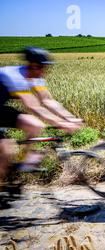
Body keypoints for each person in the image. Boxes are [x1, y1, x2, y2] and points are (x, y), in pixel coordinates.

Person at [0, 46, 82, 179]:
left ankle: (24, 163)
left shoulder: (36, 78)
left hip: (1, 107)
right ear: (34, 66)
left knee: (36, 125)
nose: (47, 71)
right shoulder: (15, 76)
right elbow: (34, 107)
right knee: (6, 151)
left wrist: (70, 118)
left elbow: (48, 101)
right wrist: (61, 123)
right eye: (44, 67)